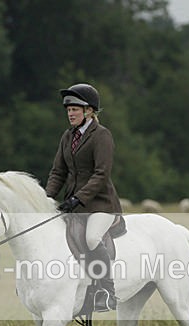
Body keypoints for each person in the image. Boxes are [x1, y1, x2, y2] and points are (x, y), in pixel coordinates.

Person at [46, 83, 123, 312]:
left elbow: (101, 174)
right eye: (68, 110)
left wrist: (78, 198)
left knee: (91, 239)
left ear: (89, 111)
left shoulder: (102, 136)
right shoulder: (67, 137)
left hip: (100, 204)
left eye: (75, 109)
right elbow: (58, 172)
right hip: (74, 204)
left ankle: (106, 290)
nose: (70, 113)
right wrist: (46, 199)